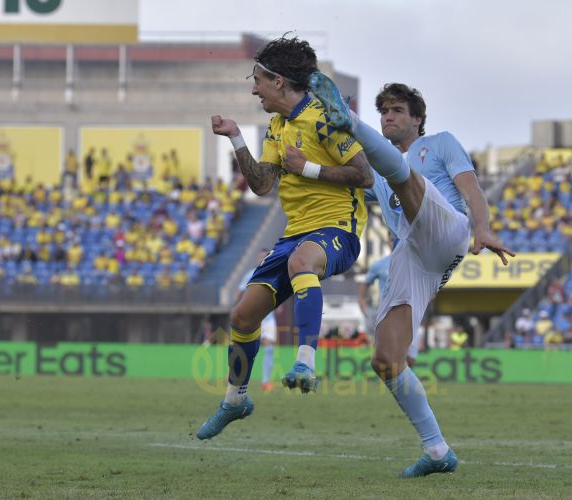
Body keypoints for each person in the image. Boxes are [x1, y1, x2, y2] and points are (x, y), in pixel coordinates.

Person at [309, 78, 513, 476]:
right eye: (383, 111)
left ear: (418, 119)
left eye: (398, 110)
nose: (389, 116)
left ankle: (346, 116)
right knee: (386, 360)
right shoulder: (379, 174)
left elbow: (469, 186)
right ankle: (437, 451)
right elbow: (349, 182)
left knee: (404, 176)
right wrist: (304, 168)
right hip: (414, 254)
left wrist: (483, 227)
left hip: (448, 229)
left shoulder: (438, 144)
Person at [195, 36, 373, 440]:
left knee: (300, 264)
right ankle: (236, 400)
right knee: (242, 316)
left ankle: (306, 362)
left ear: (278, 81)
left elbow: (364, 175)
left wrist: (309, 169)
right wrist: (237, 138)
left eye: (257, 79)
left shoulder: (324, 117)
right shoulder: (277, 126)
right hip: (296, 234)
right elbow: (261, 185)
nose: (253, 87)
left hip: (337, 231)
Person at [236, 249, 278, 392]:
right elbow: (239, 292)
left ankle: (266, 382)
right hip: (252, 317)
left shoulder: (274, 273)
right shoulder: (251, 274)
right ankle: (236, 375)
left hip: (268, 318)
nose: (261, 259)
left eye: (264, 257)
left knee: (269, 348)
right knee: (246, 348)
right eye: (259, 256)